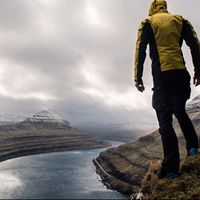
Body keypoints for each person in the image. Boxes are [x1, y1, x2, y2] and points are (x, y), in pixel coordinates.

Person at [134, 0, 200, 179]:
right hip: (181, 74)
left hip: (163, 77)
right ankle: (193, 147)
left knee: (164, 119)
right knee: (179, 109)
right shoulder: (180, 20)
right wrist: (198, 70)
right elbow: (194, 44)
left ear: (152, 9)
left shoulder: (148, 23)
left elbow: (140, 50)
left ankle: (171, 169)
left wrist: (137, 77)